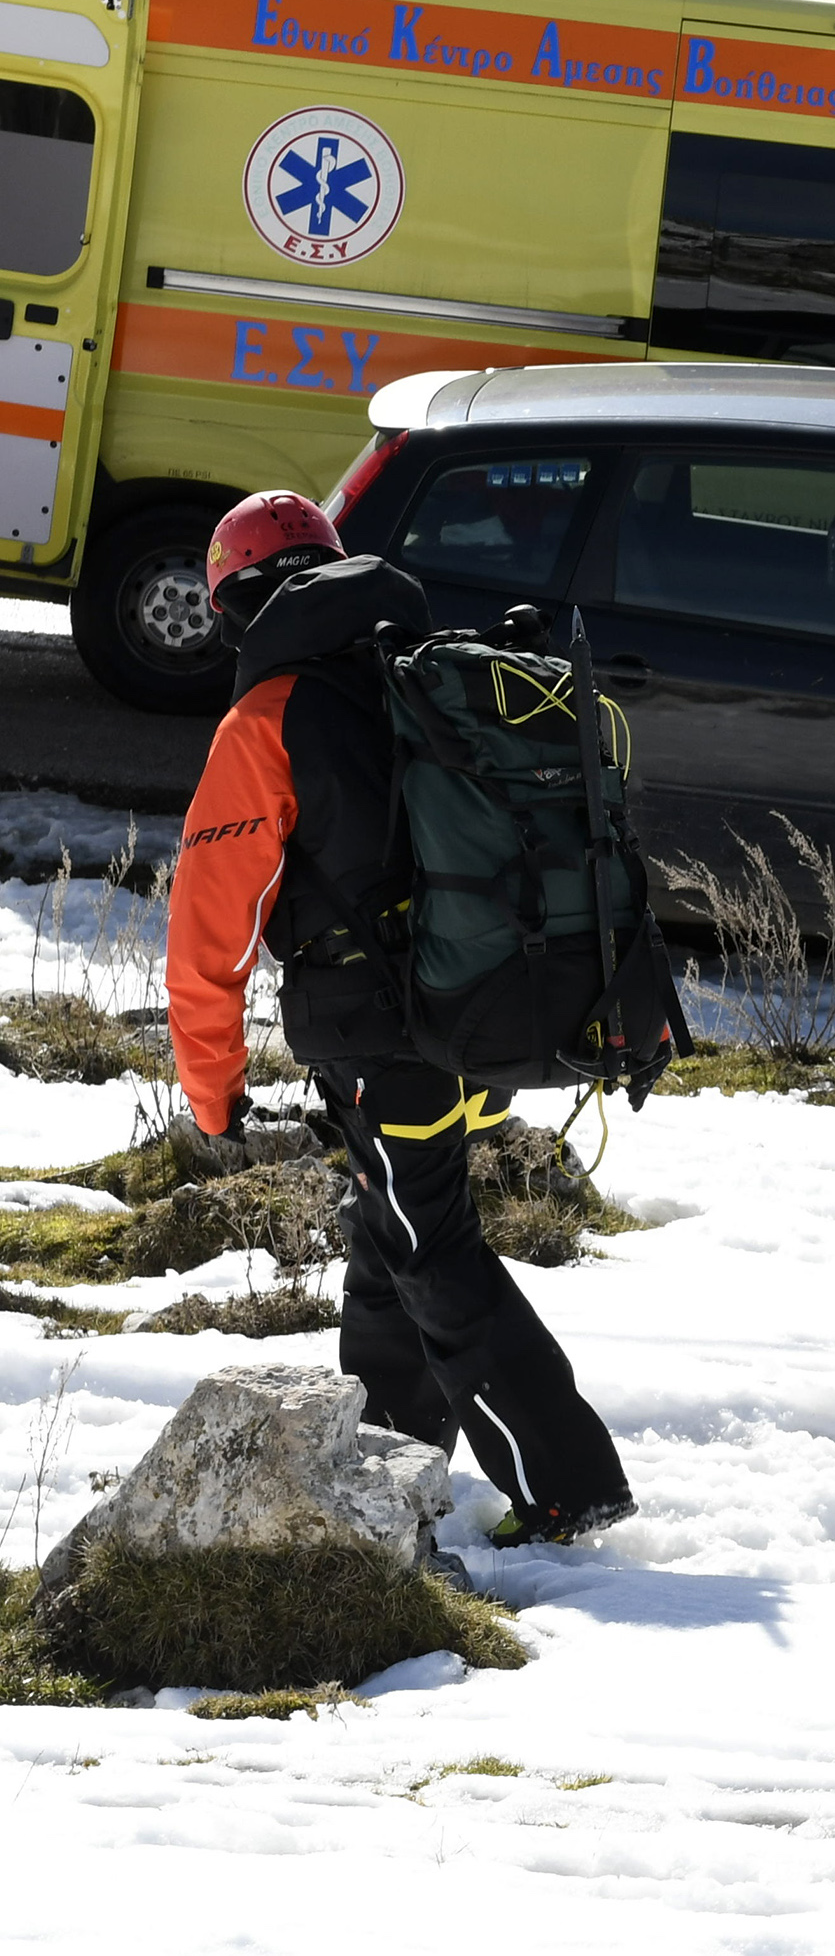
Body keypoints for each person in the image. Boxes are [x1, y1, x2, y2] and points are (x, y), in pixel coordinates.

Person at [166, 493, 638, 1546]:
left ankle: (568, 1486)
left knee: (430, 1248)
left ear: (238, 603)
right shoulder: (421, 670)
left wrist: (213, 1086)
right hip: (477, 1018)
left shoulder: (269, 715)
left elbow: (211, 924)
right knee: (387, 1237)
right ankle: (385, 1458)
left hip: (386, 1040)